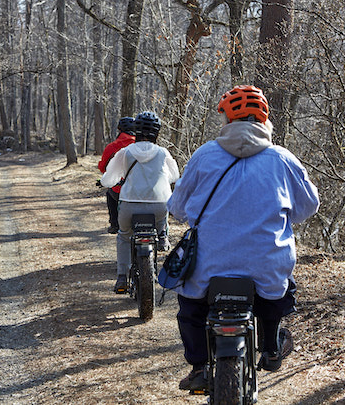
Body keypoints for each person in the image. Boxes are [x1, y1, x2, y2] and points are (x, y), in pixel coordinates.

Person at [166, 85, 320, 390]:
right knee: (276, 293)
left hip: (208, 266)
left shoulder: (204, 155)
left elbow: (178, 208)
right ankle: (272, 348)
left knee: (190, 305)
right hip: (267, 262)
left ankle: (199, 366)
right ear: (264, 120)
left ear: (225, 120)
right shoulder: (282, 159)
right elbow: (309, 205)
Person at [101, 111, 180, 294]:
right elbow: (175, 176)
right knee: (162, 210)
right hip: (159, 206)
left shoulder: (125, 152)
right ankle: (161, 235)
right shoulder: (163, 152)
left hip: (130, 205)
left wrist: (114, 180)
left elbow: (108, 180)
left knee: (124, 235)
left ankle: (122, 276)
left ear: (136, 130)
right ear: (157, 132)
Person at [98, 117, 136, 234]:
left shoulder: (112, 147)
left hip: (119, 190)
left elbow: (102, 167)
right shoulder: (140, 146)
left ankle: (114, 224)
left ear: (120, 130)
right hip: (140, 189)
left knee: (110, 192)